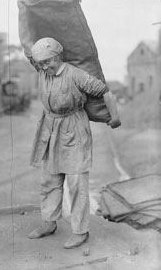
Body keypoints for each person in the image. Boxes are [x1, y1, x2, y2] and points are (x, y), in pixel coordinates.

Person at [28, 37, 121, 249]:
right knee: (49, 180)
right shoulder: (42, 71)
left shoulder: (75, 75)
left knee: (76, 183)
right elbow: (28, 45)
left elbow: (105, 92)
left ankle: (80, 231)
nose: (43, 67)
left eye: (47, 62)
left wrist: (114, 118)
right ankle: (49, 223)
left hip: (74, 129)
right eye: (40, 63)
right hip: (50, 129)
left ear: (57, 56)